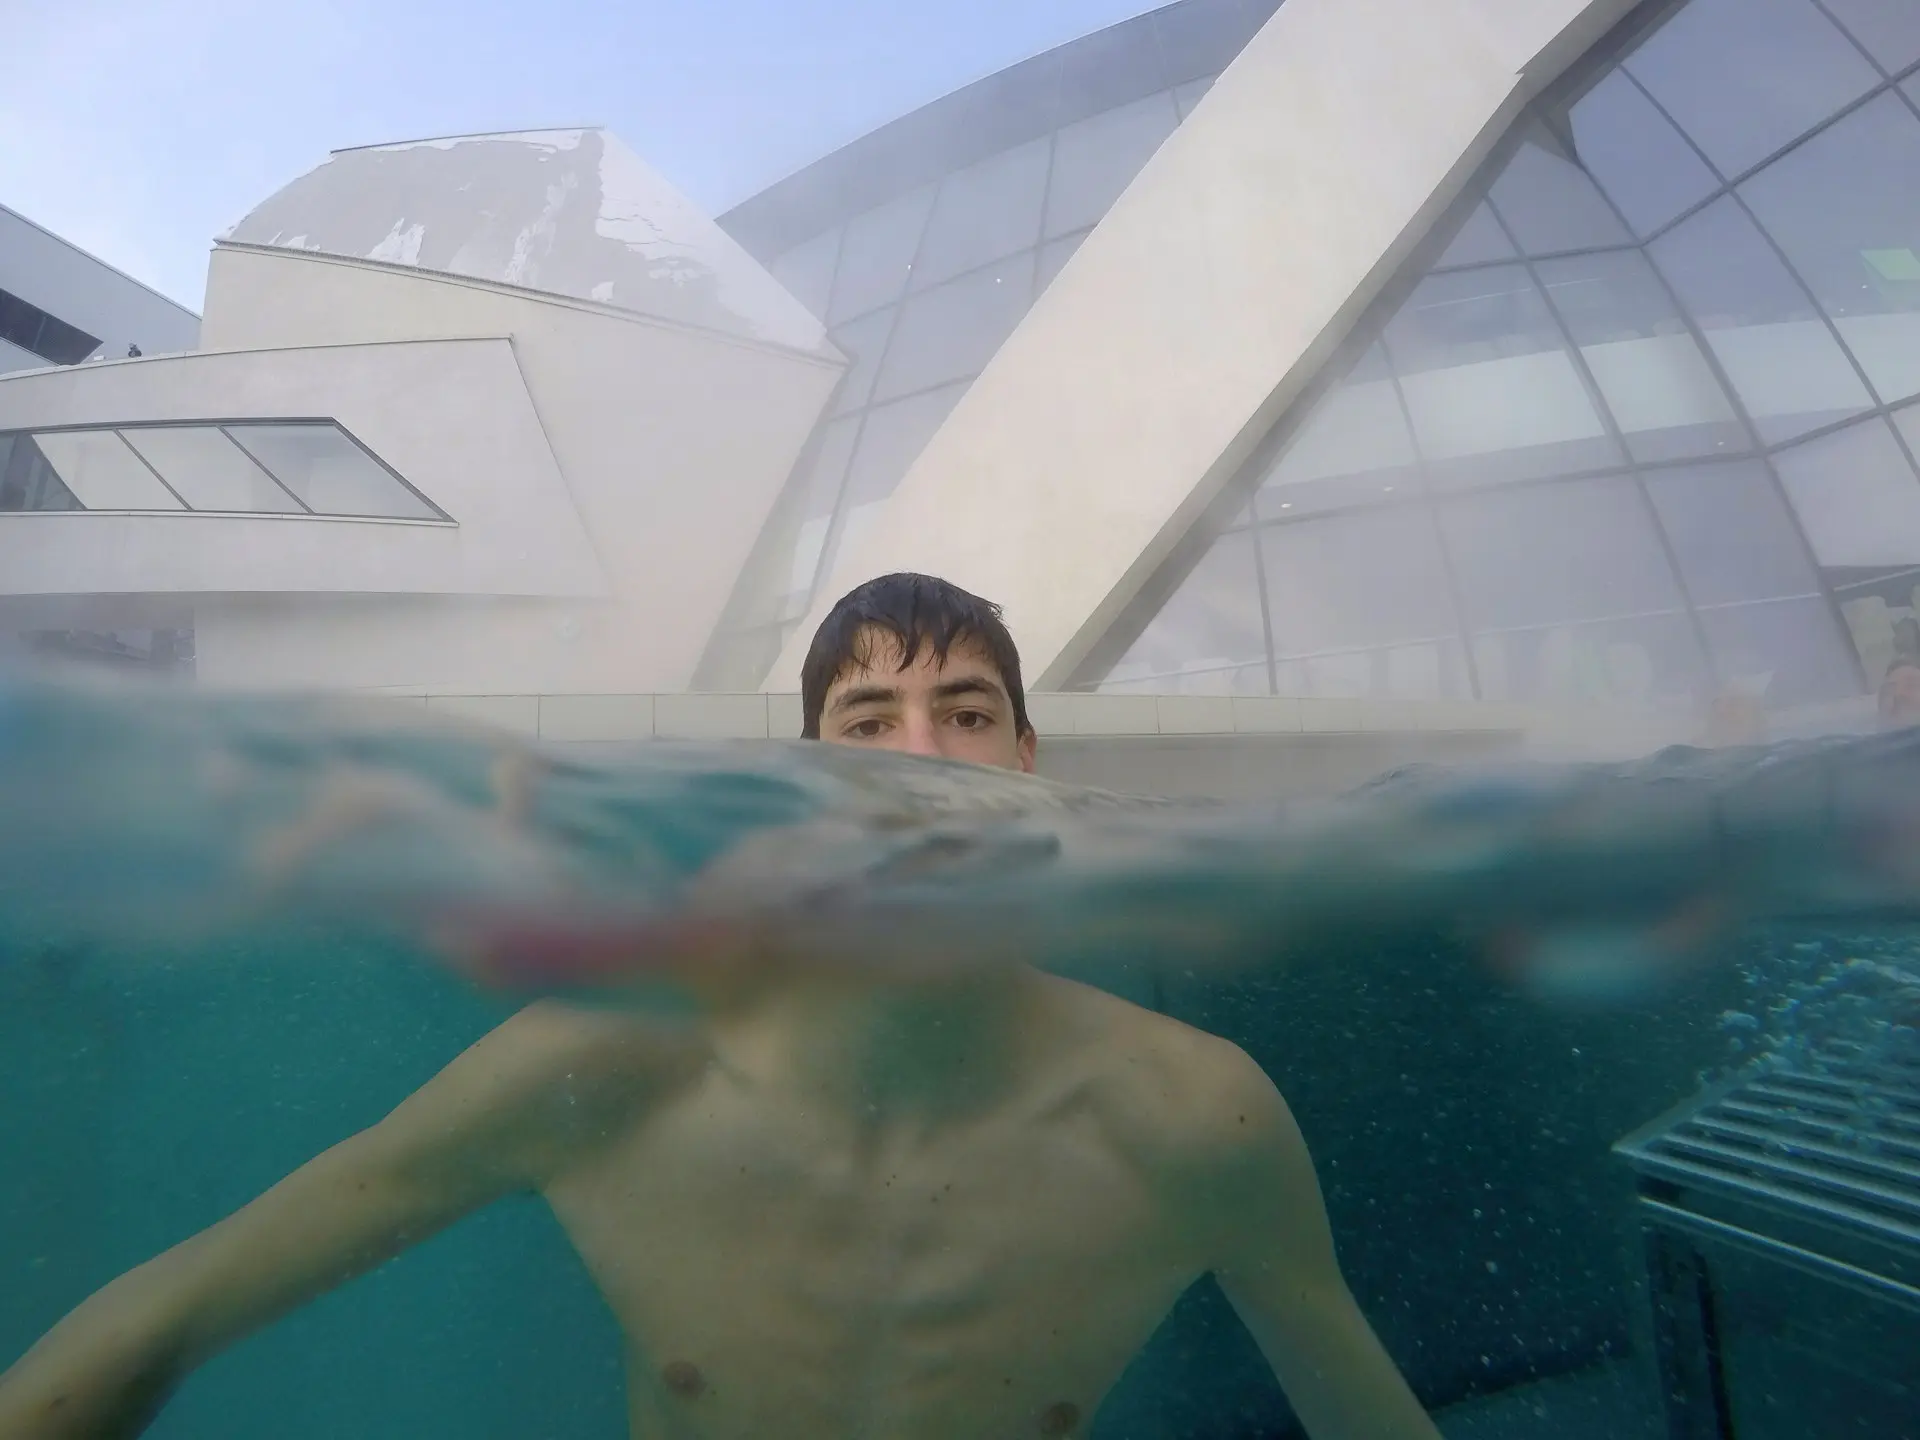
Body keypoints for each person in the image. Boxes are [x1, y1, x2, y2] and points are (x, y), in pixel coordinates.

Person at [0, 572, 1441, 1440]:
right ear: (808, 782)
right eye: (867, 728)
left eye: (968, 714)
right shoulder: (612, 1065)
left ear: (1026, 767)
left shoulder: (1195, 1115)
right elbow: (168, 1310)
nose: (918, 762)